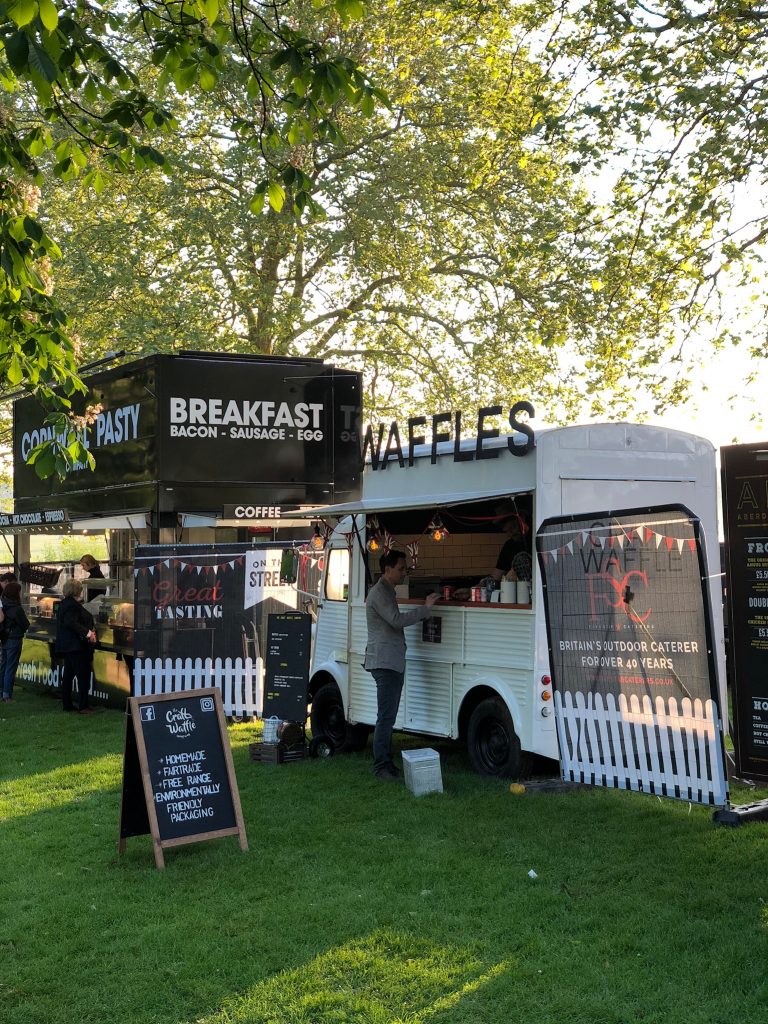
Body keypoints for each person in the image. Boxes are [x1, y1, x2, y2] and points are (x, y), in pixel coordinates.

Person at [364, 549, 439, 781]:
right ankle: (381, 767)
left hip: (390, 661)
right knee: (386, 717)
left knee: (388, 716)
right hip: (385, 662)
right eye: (401, 569)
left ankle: (386, 763)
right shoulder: (379, 593)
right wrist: (425, 609)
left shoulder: (386, 591)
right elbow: (396, 621)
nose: (405, 573)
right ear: (387, 570)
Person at [55, 579, 97, 714]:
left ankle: (67, 704)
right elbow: (71, 623)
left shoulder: (64, 604)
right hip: (75, 645)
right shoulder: (72, 605)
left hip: (68, 645)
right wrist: (88, 633)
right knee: (83, 675)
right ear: (77, 590)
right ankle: (83, 706)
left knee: (68, 675)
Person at [0, 581, 29, 702]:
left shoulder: (3, 605)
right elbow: (25, 624)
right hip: (14, 638)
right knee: (10, 667)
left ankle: (1, 692)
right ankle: (7, 694)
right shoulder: (17, 608)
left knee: (3, 666)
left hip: (4, 637)